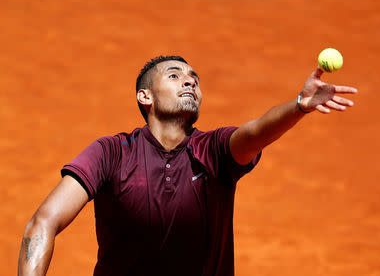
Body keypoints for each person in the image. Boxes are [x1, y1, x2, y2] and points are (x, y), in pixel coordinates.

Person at [18, 55, 357, 275]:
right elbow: (43, 222)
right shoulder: (112, 153)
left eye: (194, 77)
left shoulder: (214, 151)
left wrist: (299, 106)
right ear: (145, 96)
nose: (190, 81)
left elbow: (256, 132)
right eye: (175, 75)